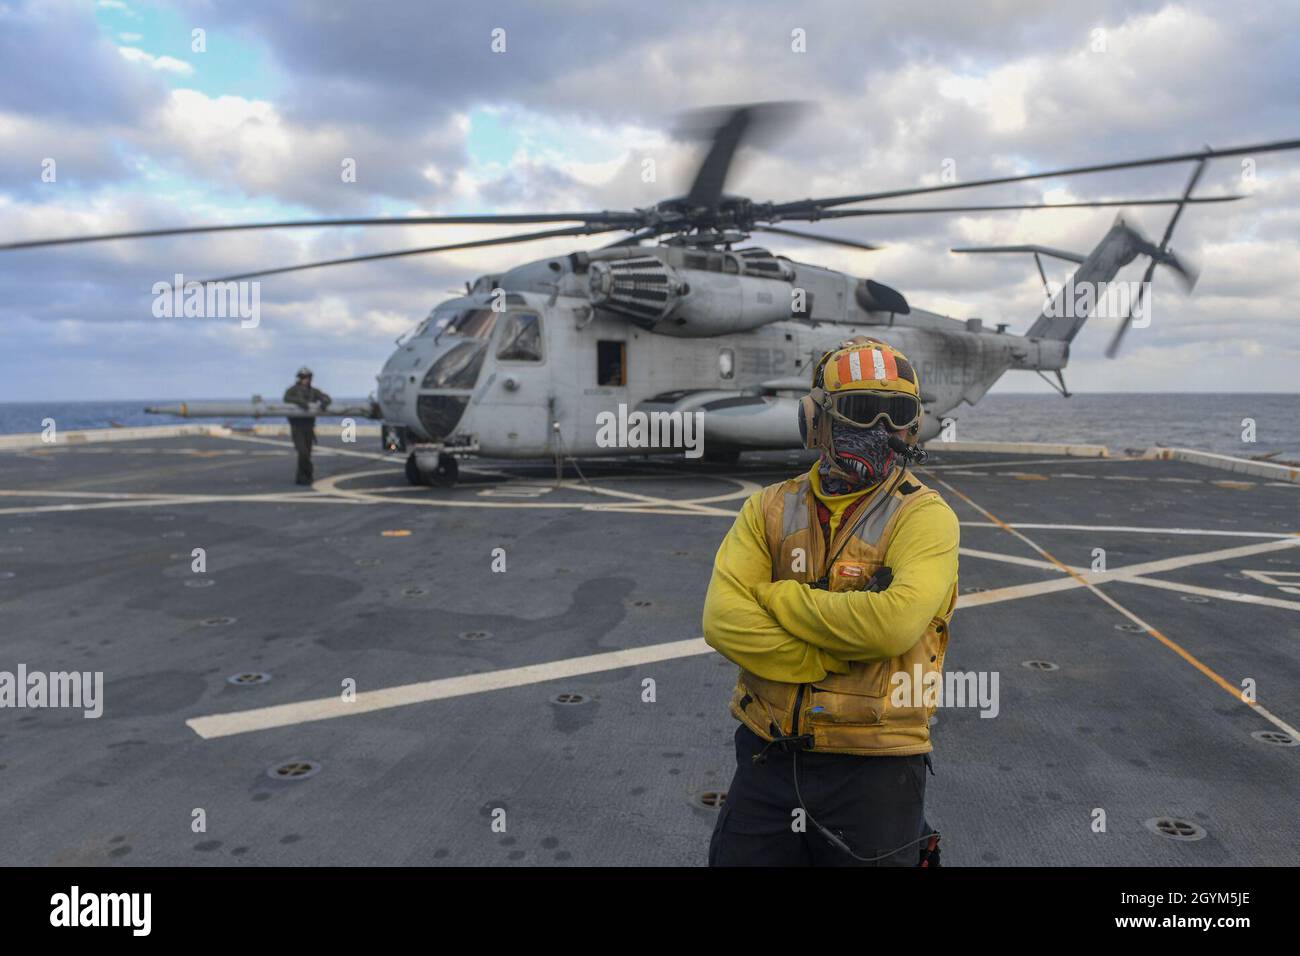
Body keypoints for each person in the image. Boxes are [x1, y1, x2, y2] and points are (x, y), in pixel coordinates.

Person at [703, 337, 959, 866]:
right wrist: (826, 657)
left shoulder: (926, 517)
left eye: (898, 414)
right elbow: (723, 621)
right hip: (768, 754)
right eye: (861, 412)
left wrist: (777, 597)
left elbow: (892, 627)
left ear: (914, 425)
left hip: (877, 767)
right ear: (816, 421)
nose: (881, 431)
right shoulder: (768, 507)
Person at [283, 367, 330, 485]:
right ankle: (308, 473)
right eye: (303, 378)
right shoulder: (292, 390)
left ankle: (302, 478)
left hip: (309, 427)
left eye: (307, 377)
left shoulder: (314, 391)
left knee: (306, 453)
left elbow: (326, 398)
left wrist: (324, 402)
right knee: (302, 452)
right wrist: (300, 402)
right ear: (299, 378)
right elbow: (286, 398)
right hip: (297, 427)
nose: (305, 380)